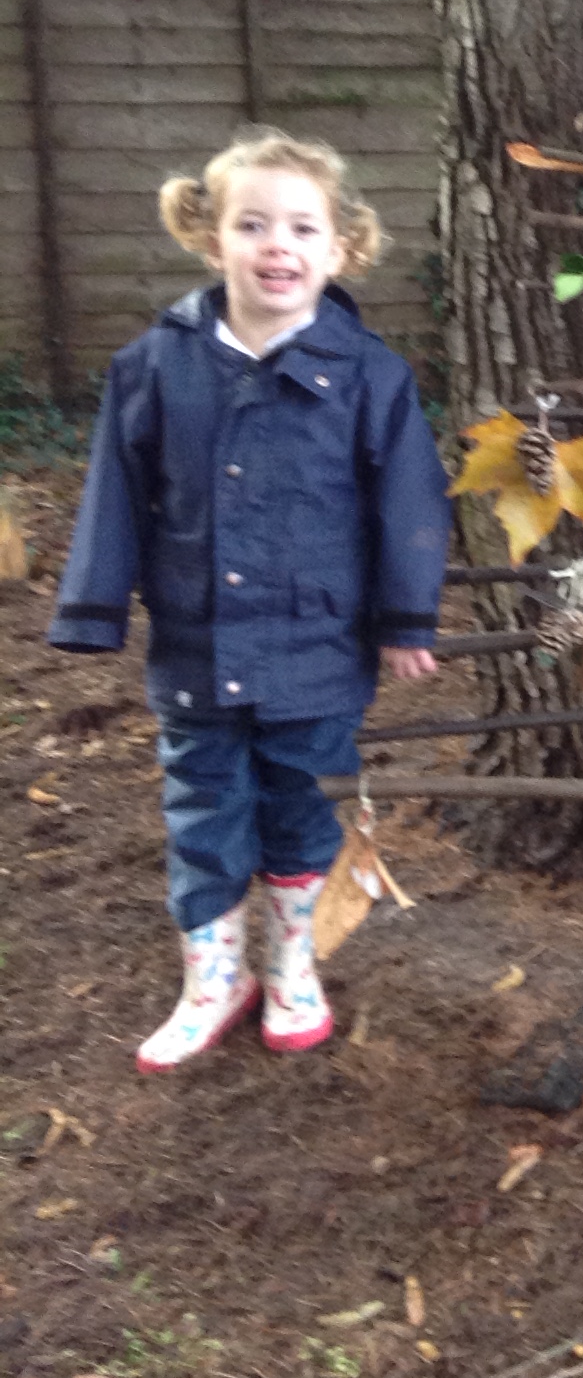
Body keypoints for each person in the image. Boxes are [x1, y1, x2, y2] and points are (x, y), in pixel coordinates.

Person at [49, 129, 450, 1073]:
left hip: (319, 650)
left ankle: (293, 966)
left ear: (342, 246)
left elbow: (409, 501)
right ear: (209, 236)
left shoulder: (371, 375)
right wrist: (93, 610)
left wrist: (406, 619)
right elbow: (114, 491)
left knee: (301, 804)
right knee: (202, 810)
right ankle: (214, 977)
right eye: (253, 224)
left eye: (304, 227)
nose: (279, 245)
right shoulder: (153, 366)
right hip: (194, 645)